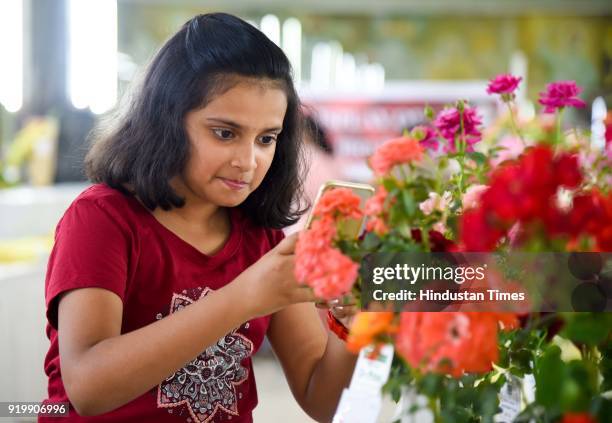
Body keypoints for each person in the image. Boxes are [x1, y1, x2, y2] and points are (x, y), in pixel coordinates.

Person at [40, 13, 357, 423]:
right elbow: (87, 387)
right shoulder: (101, 219)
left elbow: (323, 401)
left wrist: (351, 328)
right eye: (225, 133)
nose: (248, 161)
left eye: (266, 139)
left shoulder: (262, 239)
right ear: (166, 120)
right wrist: (245, 296)